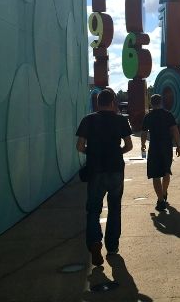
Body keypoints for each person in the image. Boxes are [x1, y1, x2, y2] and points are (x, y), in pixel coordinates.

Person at [76, 89, 133, 266]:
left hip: (95, 170)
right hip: (115, 169)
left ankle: (94, 242)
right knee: (114, 208)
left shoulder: (88, 120)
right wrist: (117, 152)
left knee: (93, 209)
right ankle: (112, 246)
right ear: (113, 102)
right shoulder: (120, 120)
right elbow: (129, 146)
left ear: (98, 102)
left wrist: (91, 153)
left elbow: (79, 146)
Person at [141, 94, 180, 211]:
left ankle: (160, 200)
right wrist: (178, 145)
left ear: (151, 103)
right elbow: (175, 130)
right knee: (166, 171)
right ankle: (164, 193)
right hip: (167, 147)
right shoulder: (168, 115)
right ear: (161, 102)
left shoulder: (148, 116)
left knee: (155, 175)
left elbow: (143, 132)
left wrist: (143, 144)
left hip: (154, 147)